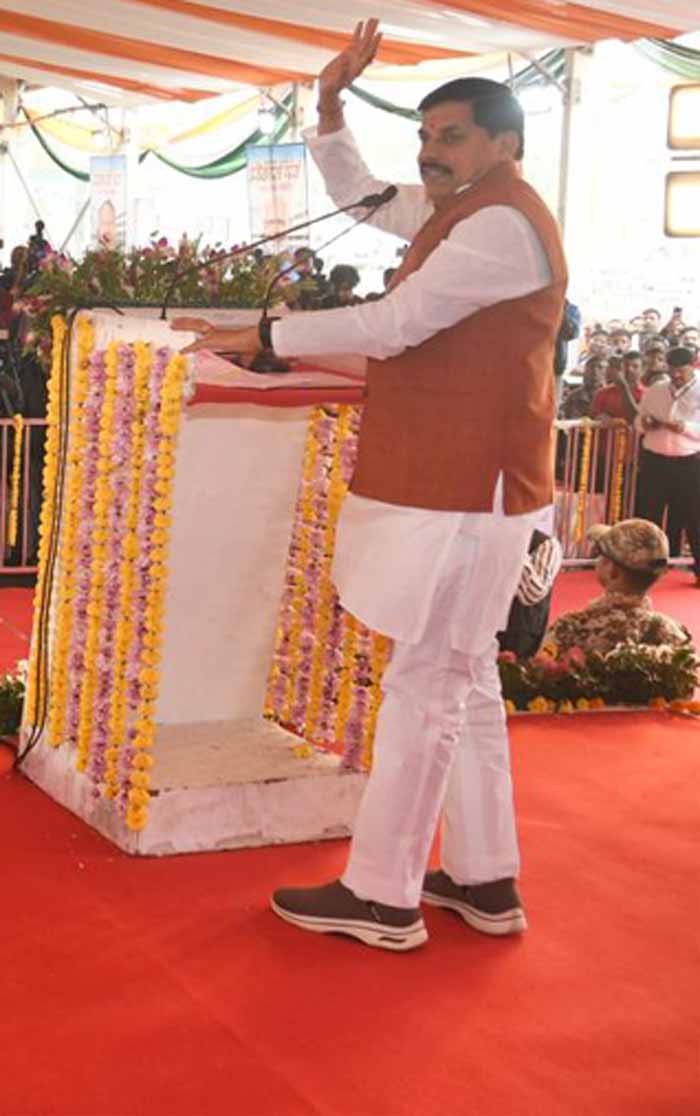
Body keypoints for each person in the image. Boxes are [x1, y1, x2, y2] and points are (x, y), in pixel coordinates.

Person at [175, 18, 567, 951]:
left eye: (452, 136)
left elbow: (396, 323)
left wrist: (265, 336)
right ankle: (484, 878)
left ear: (505, 144)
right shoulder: (462, 209)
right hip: (465, 484)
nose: (431, 152)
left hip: (472, 490)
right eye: (425, 136)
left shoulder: (501, 223)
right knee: (465, 679)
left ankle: (383, 896)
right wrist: (329, 106)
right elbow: (361, 197)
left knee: (428, 681)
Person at [545, 519, 690, 655]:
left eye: (601, 554)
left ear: (612, 571)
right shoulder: (672, 634)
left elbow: (541, 667)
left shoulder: (570, 628)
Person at [636, 346, 700, 586]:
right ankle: (644, 570)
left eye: (681, 371)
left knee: (695, 517)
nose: (676, 375)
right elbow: (638, 420)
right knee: (648, 515)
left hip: (689, 462)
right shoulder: (656, 389)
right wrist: (645, 423)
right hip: (655, 461)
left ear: (693, 366)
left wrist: (686, 428)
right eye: (672, 370)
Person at [497, 530, 563, 660]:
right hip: (480, 630)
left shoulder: (546, 544)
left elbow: (531, 594)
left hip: (518, 634)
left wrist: (514, 547)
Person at [590, 349, 643, 423]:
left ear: (643, 370)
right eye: (626, 366)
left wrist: (624, 388)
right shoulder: (602, 393)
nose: (629, 369)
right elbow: (591, 417)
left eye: (635, 366)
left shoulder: (647, 394)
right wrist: (599, 417)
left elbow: (639, 419)